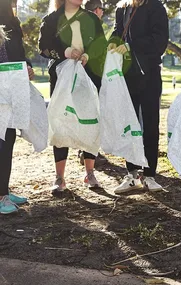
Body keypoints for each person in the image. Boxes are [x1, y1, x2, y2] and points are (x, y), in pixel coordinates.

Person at [39, 0, 107, 193]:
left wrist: (87, 56)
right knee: (62, 122)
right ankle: (59, 177)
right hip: (61, 77)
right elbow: (43, 47)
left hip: (89, 76)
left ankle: (90, 173)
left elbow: (100, 44)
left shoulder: (92, 18)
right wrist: (65, 52)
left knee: (90, 121)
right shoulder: (51, 20)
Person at [108, 0, 168, 193]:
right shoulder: (122, 8)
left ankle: (150, 175)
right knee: (129, 123)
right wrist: (112, 42)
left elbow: (160, 41)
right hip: (127, 75)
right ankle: (132, 173)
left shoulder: (156, 7)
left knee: (150, 124)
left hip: (149, 74)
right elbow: (118, 32)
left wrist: (130, 46)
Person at [0, 0, 35, 214]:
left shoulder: (12, 20)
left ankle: (4, 189)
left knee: (9, 138)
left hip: (11, 91)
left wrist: (27, 66)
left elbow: (18, 54)